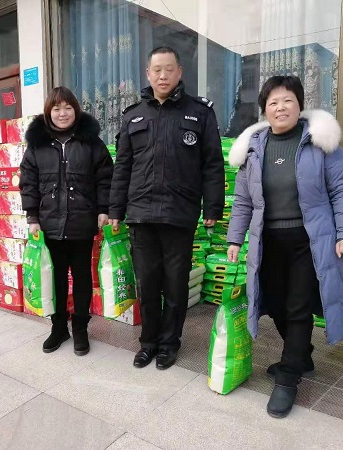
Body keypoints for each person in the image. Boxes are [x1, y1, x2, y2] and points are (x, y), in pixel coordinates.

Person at [226, 75, 343, 418]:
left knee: (298, 306)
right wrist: (235, 238)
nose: (280, 107)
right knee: (276, 305)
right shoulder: (254, 148)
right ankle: (302, 356)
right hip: (267, 242)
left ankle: (287, 377)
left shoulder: (319, 142)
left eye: (287, 100)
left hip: (308, 242)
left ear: (300, 105)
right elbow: (243, 200)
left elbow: (341, 189)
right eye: (273, 102)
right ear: (264, 110)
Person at [109, 47, 225, 370]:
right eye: (157, 70)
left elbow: (212, 164)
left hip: (179, 214)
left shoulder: (199, 113)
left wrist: (212, 207)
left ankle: (170, 343)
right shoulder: (133, 115)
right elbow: (123, 167)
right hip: (141, 215)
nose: (163, 76)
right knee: (147, 284)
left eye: (169, 69)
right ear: (148, 73)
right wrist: (116, 210)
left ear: (179, 72)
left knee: (175, 285)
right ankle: (148, 342)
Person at [20, 86, 113, 356]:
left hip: (82, 221)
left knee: (82, 277)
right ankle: (59, 327)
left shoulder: (91, 142)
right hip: (49, 223)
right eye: (57, 108)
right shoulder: (37, 144)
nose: (63, 113)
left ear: (76, 110)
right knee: (55, 278)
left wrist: (104, 209)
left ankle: (81, 328)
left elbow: (105, 178)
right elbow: (28, 181)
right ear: (48, 112)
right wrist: (32, 216)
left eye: (68, 107)